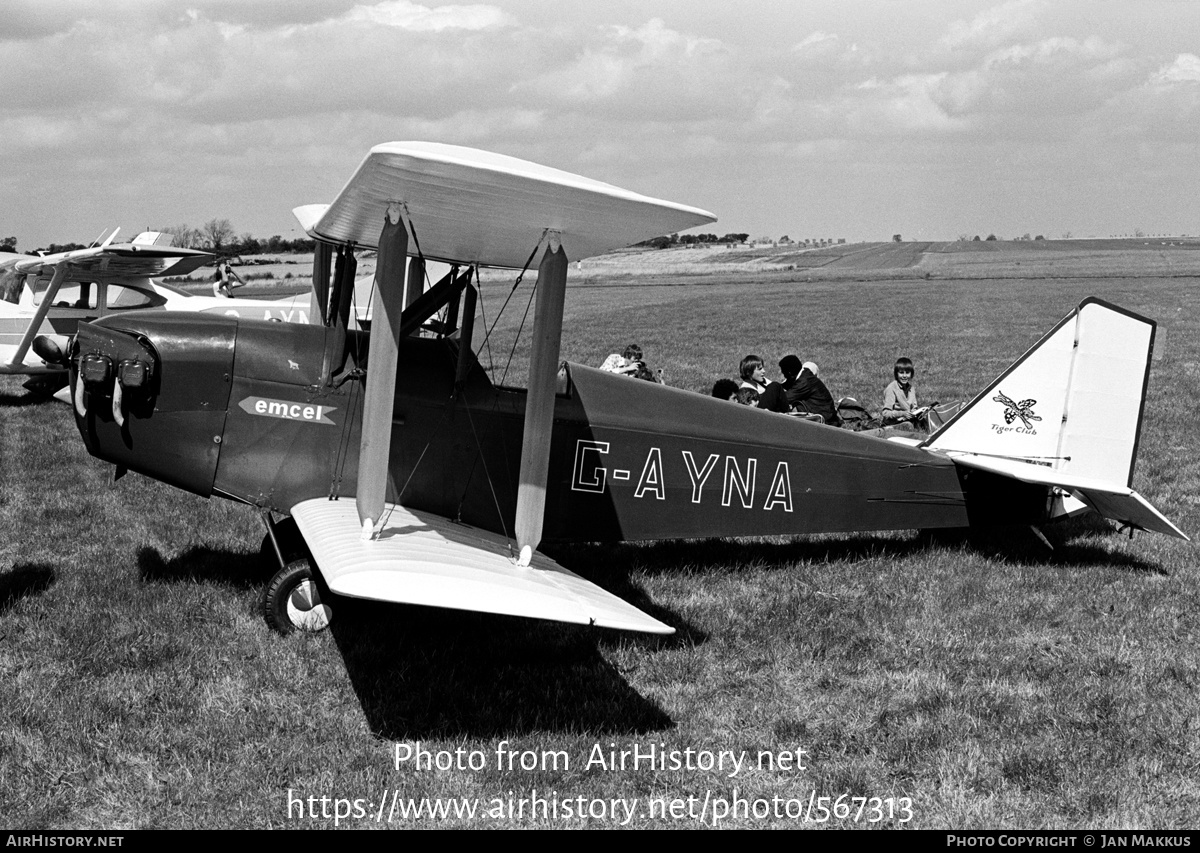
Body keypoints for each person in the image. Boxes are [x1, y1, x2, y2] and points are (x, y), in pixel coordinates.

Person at [761, 355, 837, 424]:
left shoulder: (805, 382)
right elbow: (784, 386)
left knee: (776, 393)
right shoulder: (803, 375)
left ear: (789, 373)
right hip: (820, 412)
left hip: (825, 418)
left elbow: (785, 398)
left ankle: (759, 415)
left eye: (783, 372)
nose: (782, 374)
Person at [882, 356, 928, 427]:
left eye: (907, 373)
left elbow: (914, 408)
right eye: (901, 373)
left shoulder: (911, 388)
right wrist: (902, 414)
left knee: (927, 420)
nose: (904, 376)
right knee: (908, 425)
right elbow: (886, 413)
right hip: (893, 423)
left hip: (907, 419)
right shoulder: (891, 388)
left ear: (911, 374)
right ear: (896, 374)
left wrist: (915, 412)